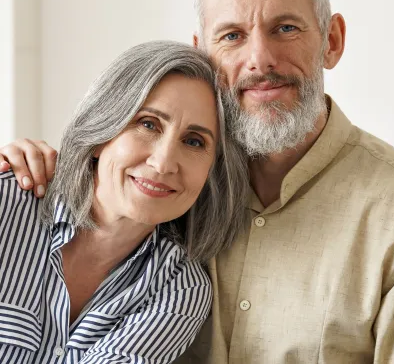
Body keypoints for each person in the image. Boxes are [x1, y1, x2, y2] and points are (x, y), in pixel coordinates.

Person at [2, 0, 394, 363]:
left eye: (286, 28)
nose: (260, 59)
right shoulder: (164, 190)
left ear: (331, 41)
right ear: (205, 59)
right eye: (232, 36)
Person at [0, 40, 248, 363]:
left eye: (193, 141)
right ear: (102, 133)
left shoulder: (179, 289)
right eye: (148, 124)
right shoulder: (8, 203)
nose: (163, 163)